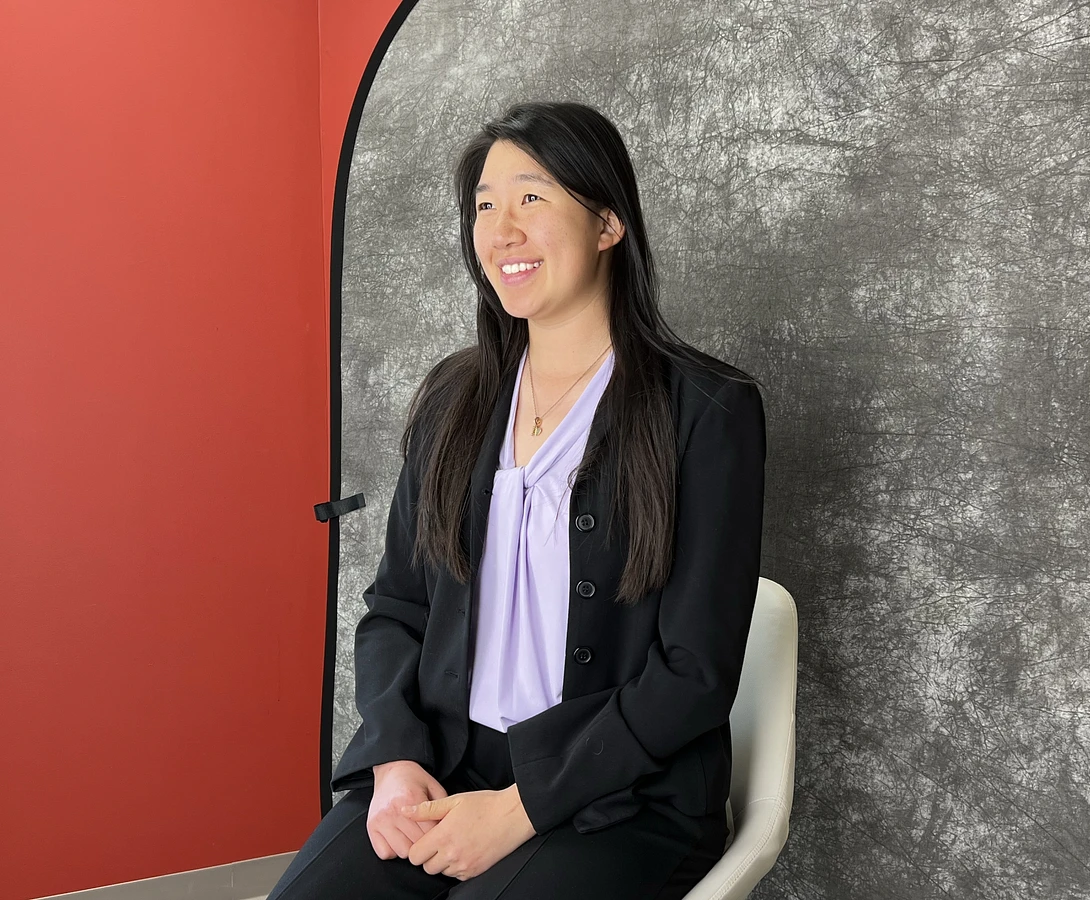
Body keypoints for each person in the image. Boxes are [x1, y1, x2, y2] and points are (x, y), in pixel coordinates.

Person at [267, 100, 767, 900]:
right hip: (443, 763)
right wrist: (395, 761)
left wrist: (523, 809)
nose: (502, 231)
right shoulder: (452, 399)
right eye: (485, 206)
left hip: (617, 794)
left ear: (608, 224)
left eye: (532, 199)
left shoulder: (706, 409)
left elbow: (695, 672)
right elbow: (396, 607)